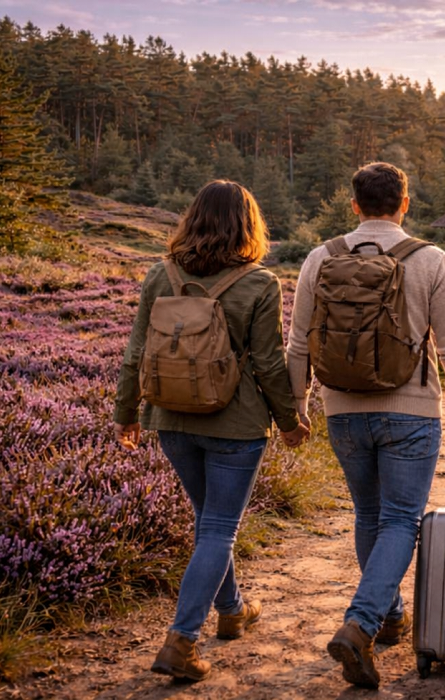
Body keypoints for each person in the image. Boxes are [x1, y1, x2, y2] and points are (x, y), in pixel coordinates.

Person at [287, 162, 445, 689]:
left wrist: (296, 409)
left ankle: (390, 615)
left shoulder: (321, 257)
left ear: (354, 205)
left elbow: (296, 344)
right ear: (405, 204)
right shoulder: (430, 260)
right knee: (401, 521)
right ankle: (361, 623)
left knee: (369, 515)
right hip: (411, 411)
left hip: (342, 409)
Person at [113, 180, 310, 682]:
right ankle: (182, 639)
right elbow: (267, 363)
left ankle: (233, 611)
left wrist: (126, 414)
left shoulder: (160, 273)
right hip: (235, 424)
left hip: (171, 419)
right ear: (249, 224)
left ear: (192, 218)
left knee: (208, 522)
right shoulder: (260, 283)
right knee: (220, 528)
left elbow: (136, 351)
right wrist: (289, 421)